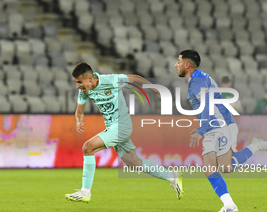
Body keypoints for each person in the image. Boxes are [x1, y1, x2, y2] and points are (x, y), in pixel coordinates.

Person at [65, 62, 183, 203]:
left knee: (88, 147)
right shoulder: (84, 90)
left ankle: (85, 191)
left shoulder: (111, 80)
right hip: (112, 127)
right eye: (76, 83)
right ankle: (172, 176)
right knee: (135, 164)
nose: (78, 86)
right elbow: (79, 111)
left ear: (90, 79)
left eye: (79, 82)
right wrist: (79, 121)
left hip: (122, 125)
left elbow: (136, 78)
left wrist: (157, 91)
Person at [175, 50, 267, 212]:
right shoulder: (201, 77)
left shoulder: (197, 80)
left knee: (211, 168)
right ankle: (257, 146)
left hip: (219, 126)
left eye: (179, 61)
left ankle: (229, 205)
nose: (176, 65)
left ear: (187, 64)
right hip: (220, 124)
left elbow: (208, 104)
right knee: (225, 167)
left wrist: (202, 130)